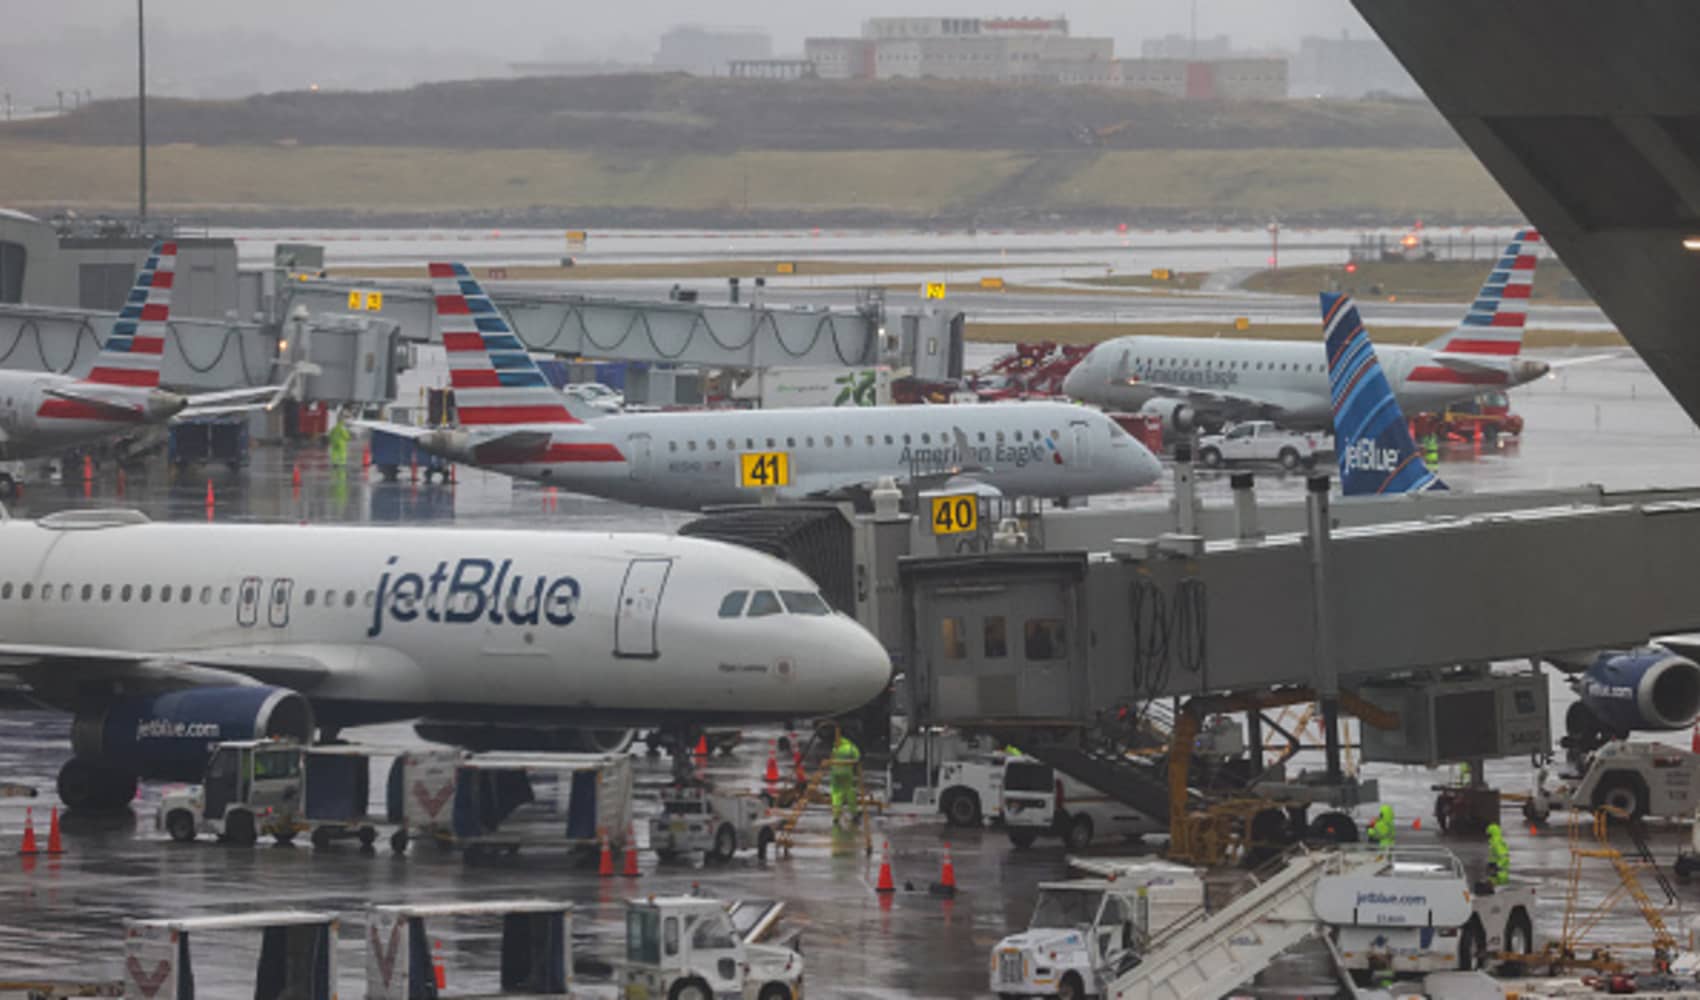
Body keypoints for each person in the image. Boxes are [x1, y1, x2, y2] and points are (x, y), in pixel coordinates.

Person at [829, 733, 861, 825]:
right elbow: (857, 758)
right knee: (850, 793)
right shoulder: (851, 748)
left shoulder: (836, 747)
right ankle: (854, 814)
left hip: (835, 774)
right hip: (847, 774)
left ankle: (836, 816)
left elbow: (832, 758)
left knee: (836, 795)